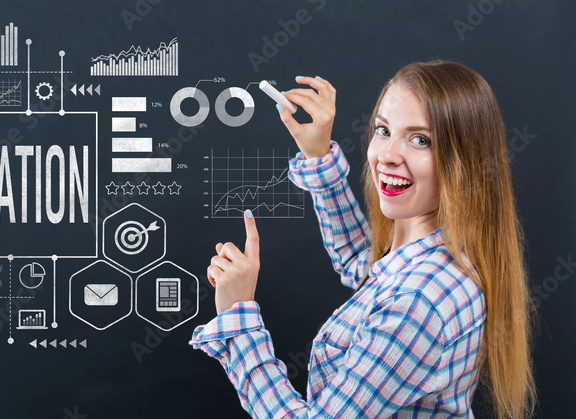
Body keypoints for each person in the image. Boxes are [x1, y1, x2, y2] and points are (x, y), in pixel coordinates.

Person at [190, 61, 535, 418]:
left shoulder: (417, 304)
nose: (386, 156)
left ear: (465, 161)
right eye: (383, 130)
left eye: (421, 140)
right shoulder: (434, 253)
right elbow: (362, 262)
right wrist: (318, 154)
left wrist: (238, 317)